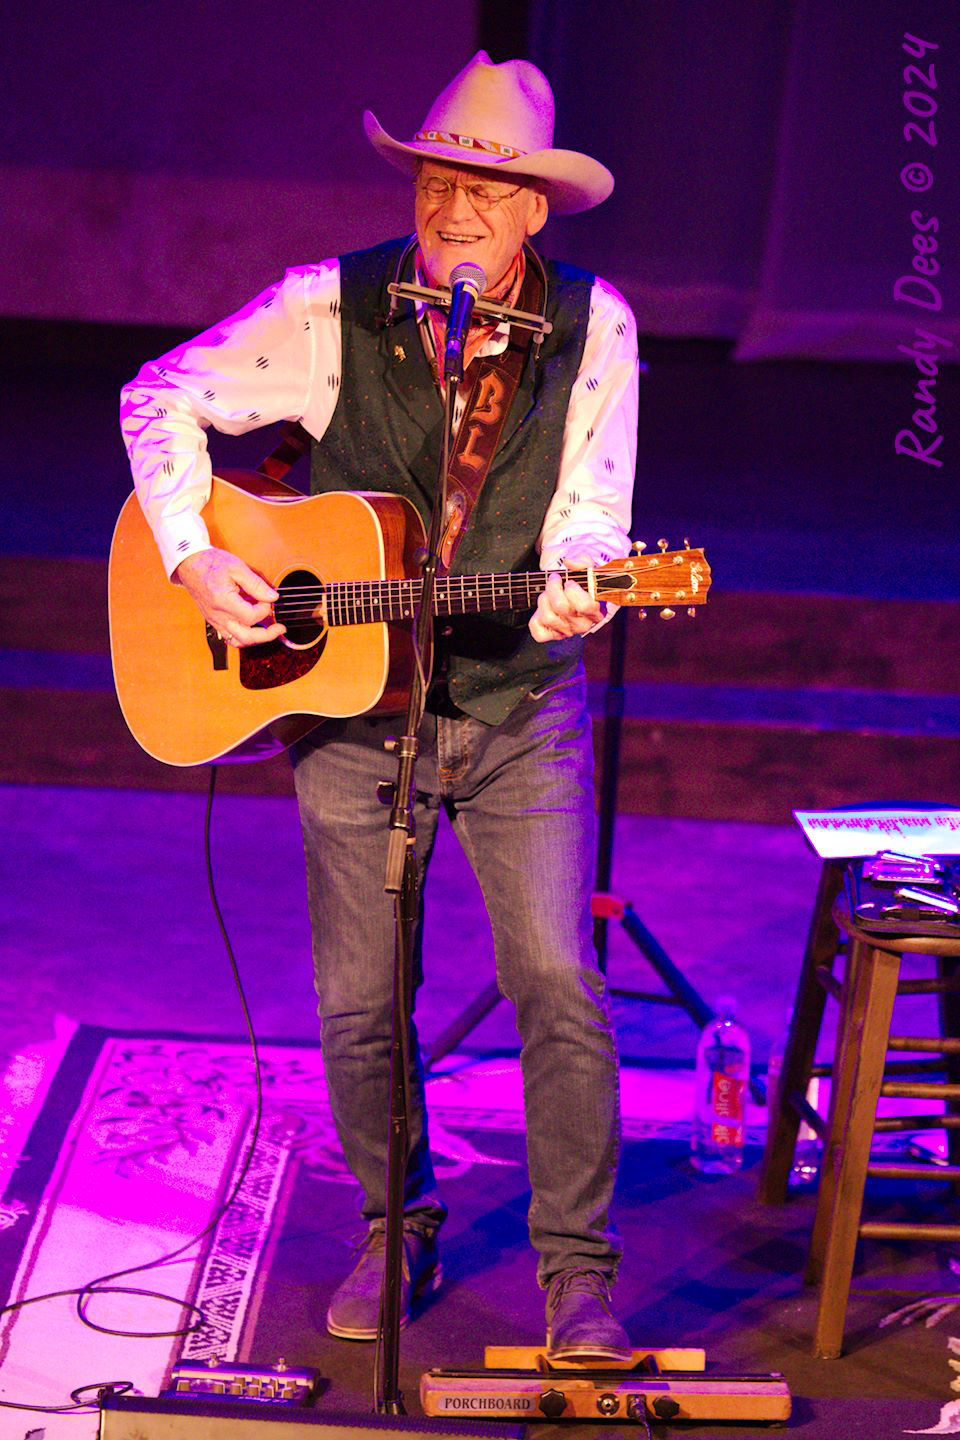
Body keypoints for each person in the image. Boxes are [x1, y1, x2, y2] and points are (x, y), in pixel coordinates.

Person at [120, 51, 638, 1361]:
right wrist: (193, 551)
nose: (455, 207)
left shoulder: (599, 330)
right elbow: (160, 393)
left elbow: (587, 528)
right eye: (437, 176)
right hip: (354, 715)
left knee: (557, 981)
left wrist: (580, 595)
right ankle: (394, 1221)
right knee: (357, 1001)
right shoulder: (324, 307)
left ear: (537, 211)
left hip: (520, 709)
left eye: (489, 186)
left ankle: (578, 1275)